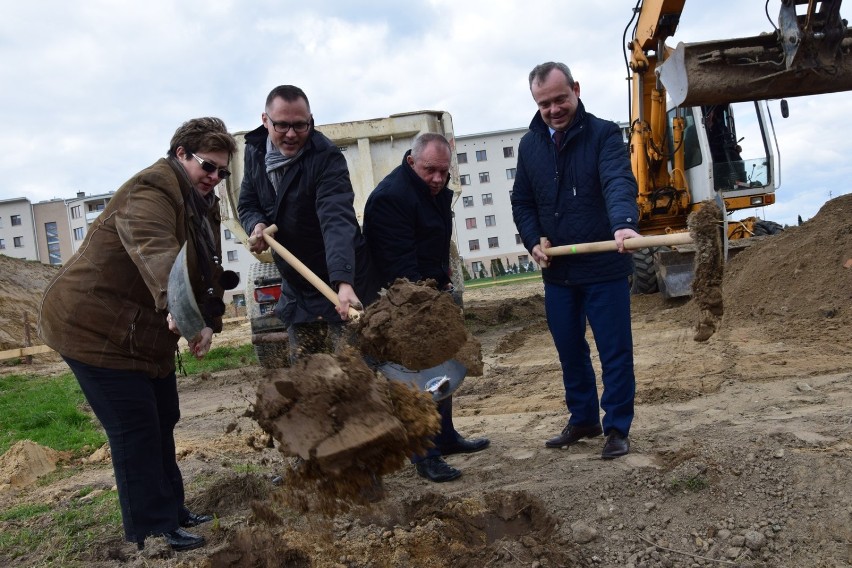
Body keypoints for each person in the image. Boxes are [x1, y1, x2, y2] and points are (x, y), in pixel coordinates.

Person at [38, 117, 238, 550]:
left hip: (141, 332)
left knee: (164, 418)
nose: (215, 178)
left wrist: (207, 322)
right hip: (93, 327)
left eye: (223, 172)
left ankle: (173, 512)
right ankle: (152, 528)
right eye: (208, 167)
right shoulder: (151, 189)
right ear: (181, 154)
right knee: (136, 427)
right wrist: (178, 306)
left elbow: (207, 266)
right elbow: (156, 248)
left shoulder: (201, 199)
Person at [510, 62, 640, 460]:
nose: (553, 109)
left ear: (576, 90)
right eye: (544, 103)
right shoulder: (530, 145)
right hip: (559, 273)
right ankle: (583, 418)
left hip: (604, 267)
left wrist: (622, 224)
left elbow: (618, 180)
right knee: (570, 350)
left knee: (614, 350)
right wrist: (533, 239)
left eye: (560, 99)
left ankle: (617, 427)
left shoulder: (602, 134)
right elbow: (523, 201)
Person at [363, 132, 490, 483]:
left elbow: (432, 246)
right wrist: (427, 303)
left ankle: (445, 437)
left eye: (443, 172)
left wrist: (443, 283)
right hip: (401, 300)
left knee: (444, 366)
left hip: (429, 293)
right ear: (411, 162)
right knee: (418, 378)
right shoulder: (391, 198)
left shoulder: (430, 192)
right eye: (429, 171)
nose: (437, 178)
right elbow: (398, 264)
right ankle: (425, 454)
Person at [238, 85, 378, 364]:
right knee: (305, 371)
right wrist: (256, 224)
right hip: (298, 282)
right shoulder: (254, 152)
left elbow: (336, 221)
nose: (291, 134)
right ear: (265, 121)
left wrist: (344, 282)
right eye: (282, 125)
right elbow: (248, 203)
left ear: (311, 120)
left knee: (355, 371)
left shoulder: (325, 157)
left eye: (300, 125)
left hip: (339, 276)